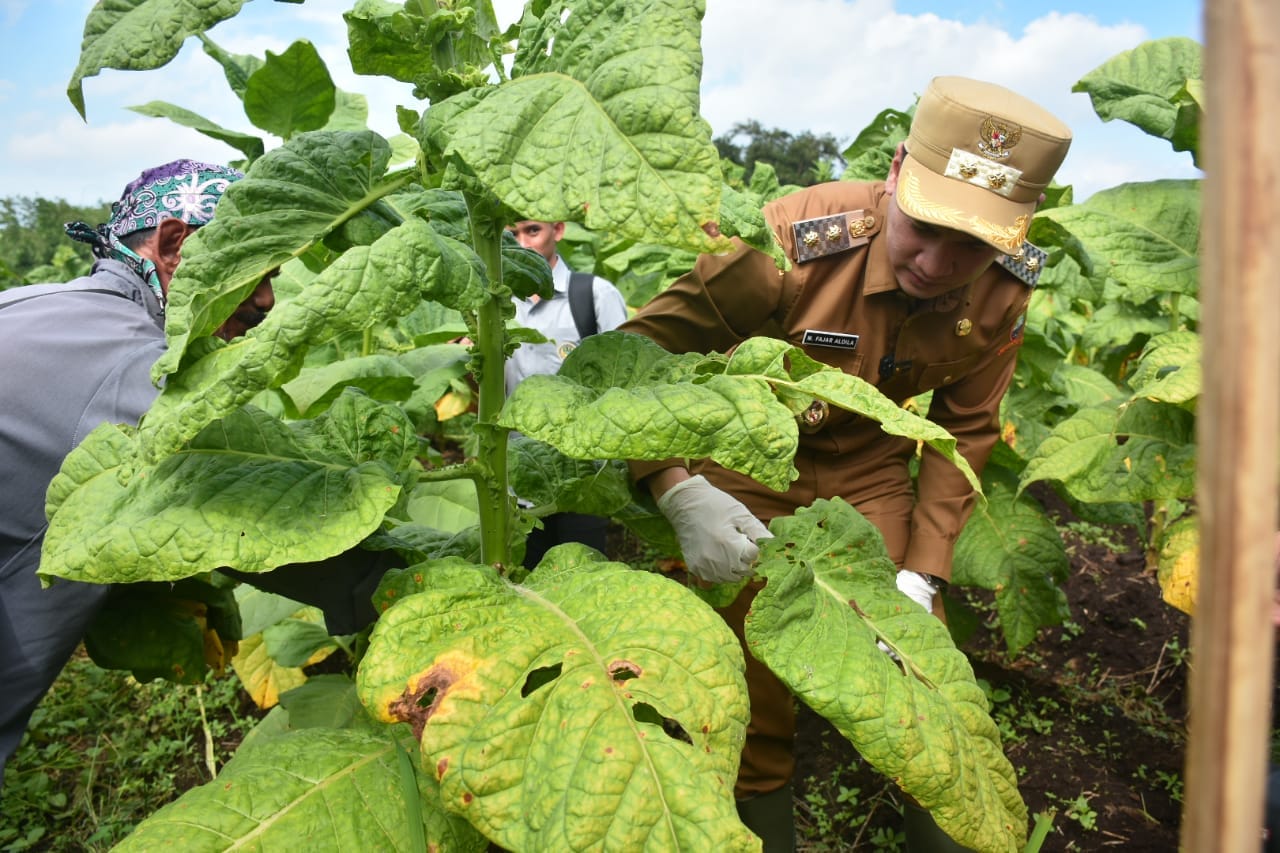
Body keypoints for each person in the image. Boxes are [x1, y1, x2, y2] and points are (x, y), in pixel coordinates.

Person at [621, 76, 1073, 851]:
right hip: (745, 464)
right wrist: (672, 483)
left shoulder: (1004, 290)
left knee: (920, 677)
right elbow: (635, 355)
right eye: (925, 227)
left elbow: (965, 428)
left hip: (869, 474)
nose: (939, 262)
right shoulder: (786, 246)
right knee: (748, 689)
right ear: (896, 171)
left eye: (972, 244)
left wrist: (924, 570)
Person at [0, 159, 274, 786]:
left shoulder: (27, 302)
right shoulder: (137, 368)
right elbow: (259, 510)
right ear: (174, 245)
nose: (266, 299)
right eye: (255, 269)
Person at [506, 219, 629, 569]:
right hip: (518, 479)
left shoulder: (594, 295)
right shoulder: (497, 306)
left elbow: (625, 376)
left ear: (558, 231)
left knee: (582, 575)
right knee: (527, 582)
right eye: (512, 234)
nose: (522, 243)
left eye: (532, 231)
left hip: (582, 476)